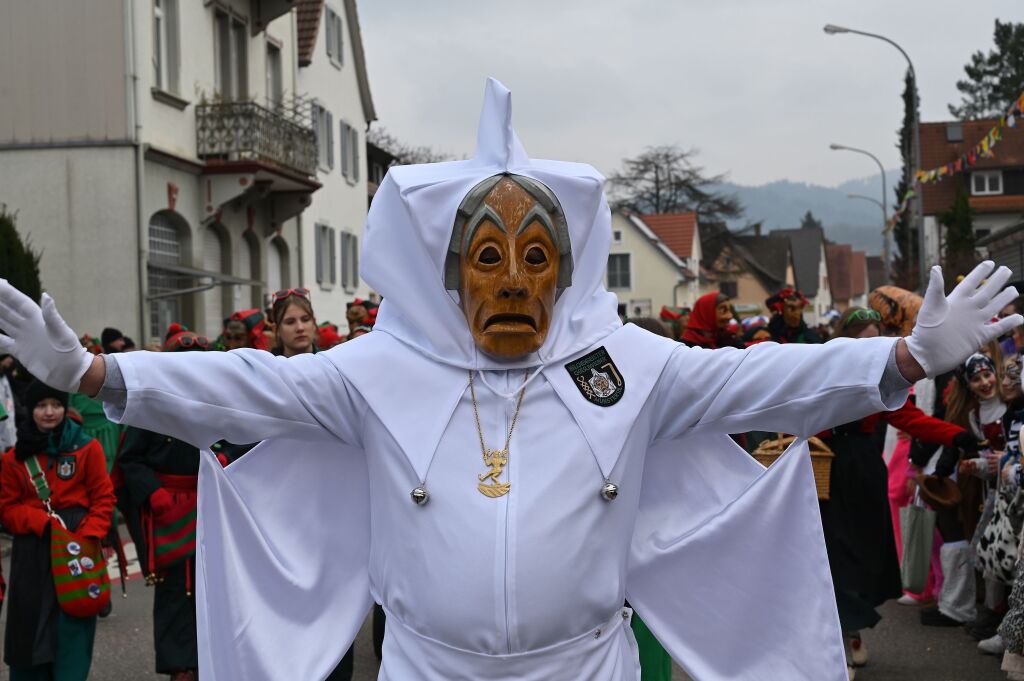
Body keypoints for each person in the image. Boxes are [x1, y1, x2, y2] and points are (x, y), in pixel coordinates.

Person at [0, 79, 1020, 681]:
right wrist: (95, 371)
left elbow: (767, 384)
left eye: (537, 258)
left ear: (567, 272)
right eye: (488, 257)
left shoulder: (629, 365)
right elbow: (241, 387)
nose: (514, 282)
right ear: (449, 275)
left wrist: (898, 359)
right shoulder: (374, 372)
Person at [817, 307, 979, 679]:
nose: (872, 344)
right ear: (847, 339)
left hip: (860, 469)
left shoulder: (883, 376)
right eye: (865, 338)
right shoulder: (824, 367)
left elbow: (909, 418)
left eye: (878, 337)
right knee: (829, 556)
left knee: (859, 555)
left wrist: (956, 436)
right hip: (819, 467)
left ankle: (852, 632)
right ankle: (839, 643)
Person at [0, 381, 116, 680]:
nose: (49, 412)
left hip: (77, 548)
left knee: (73, 627)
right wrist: (41, 523)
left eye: (56, 405)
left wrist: (89, 536)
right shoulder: (14, 458)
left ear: (66, 408)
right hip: (33, 550)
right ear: (31, 410)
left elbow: (103, 497)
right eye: (41, 406)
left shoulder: (87, 448)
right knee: (29, 627)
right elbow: (7, 508)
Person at [270, 288, 318, 357]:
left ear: (314, 323)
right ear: (276, 329)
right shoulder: (266, 366)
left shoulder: (331, 364)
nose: (300, 328)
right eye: (290, 322)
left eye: (305, 320)